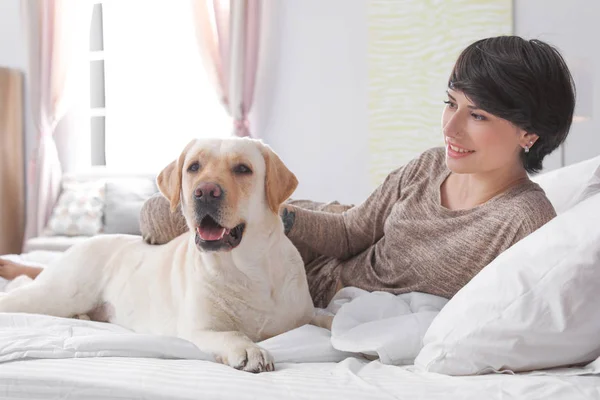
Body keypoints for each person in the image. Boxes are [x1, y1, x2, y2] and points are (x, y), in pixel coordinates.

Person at [2, 36, 576, 311]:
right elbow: (353, 231)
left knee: (181, 231)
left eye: (476, 116)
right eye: (449, 103)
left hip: (321, 284)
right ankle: (52, 271)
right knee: (160, 214)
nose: (451, 128)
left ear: (530, 132)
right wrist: (272, 213)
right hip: (316, 237)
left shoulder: (525, 220)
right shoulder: (430, 166)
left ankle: (44, 272)